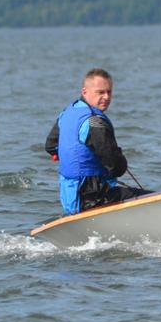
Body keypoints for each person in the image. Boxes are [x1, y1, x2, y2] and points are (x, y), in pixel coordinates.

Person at [45, 68, 149, 215]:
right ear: (85, 91)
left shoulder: (67, 112)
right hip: (94, 198)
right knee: (149, 197)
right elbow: (116, 168)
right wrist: (121, 159)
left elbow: (50, 146)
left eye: (109, 92)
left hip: (70, 200)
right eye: (100, 92)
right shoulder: (95, 122)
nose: (106, 97)